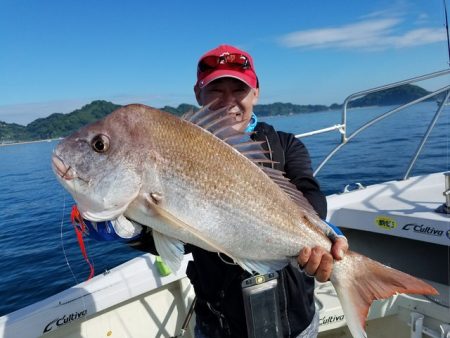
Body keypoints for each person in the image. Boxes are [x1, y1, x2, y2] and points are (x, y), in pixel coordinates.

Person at [81, 44, 348, 337]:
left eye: (239, 90)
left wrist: (320, 231)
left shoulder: (285, 145)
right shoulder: (178, 148)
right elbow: (172, 232)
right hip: (219, 327)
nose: (229, 101)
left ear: (256, 92)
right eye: (216, 90)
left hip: (296, 322)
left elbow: (308, 191)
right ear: (198, 94)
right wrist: (128, 231)